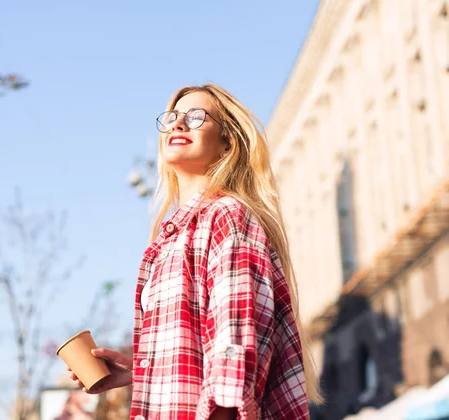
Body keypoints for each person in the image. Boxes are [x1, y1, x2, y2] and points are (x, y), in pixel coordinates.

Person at [69, 84, 323, 419]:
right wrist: (141, 370)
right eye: (172, 118)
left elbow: (233, 348)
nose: (177, 125)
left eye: (196, 117)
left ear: (227, 143)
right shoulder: (172, 238)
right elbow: (201, 349)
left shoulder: (226, 216)